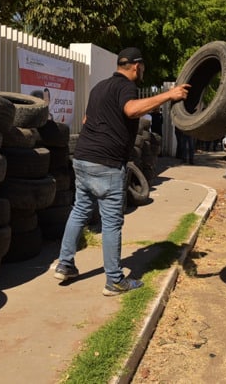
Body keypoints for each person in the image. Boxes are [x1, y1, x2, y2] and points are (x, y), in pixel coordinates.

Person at [54, 47, 190, 294]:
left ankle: (65, 264)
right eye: (143, 67)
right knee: (112, 223)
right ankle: (115, 280)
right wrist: (169, 95)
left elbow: (87, 121)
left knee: (79, 211)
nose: (143, 71)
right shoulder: (126, 87)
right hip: (107, 164)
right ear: (136, 66)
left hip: (83, 159)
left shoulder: (99, 88)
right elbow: (131, 110)